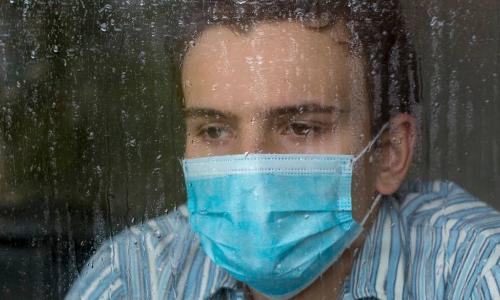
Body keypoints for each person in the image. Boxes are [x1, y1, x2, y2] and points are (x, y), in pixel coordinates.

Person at [66, 1, 500, 299]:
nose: (251, 170)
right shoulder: (134, 276)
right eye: (215, 130)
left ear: (388, 153)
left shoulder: (474, 272)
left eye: (300, 126)